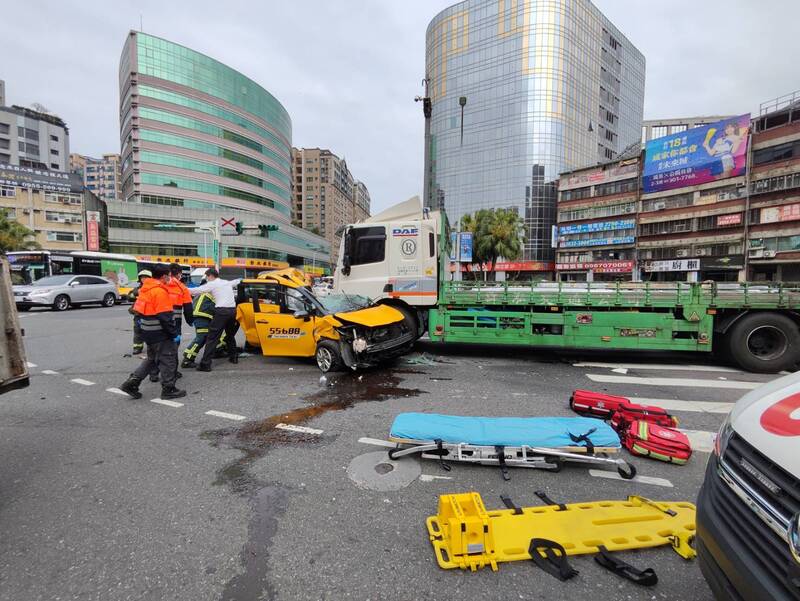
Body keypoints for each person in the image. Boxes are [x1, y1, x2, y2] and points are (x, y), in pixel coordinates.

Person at [119, 264, 186, 400]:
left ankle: (132, 382)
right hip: (160, 333)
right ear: (163, 276)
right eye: (168, 275)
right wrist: (174, 334)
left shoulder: (145, 289)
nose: (170, 278)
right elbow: (165, 317)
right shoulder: (160, 292)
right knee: (168, 359)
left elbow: (136, 310)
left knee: (152, 360)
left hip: (147, 331)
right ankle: (168, 389)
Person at [189, 268, 240, 371]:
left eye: (207, 277)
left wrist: (178, 288)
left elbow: (196, 291)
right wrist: (241, 279)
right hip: (232, 311)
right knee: (230, 335)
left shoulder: (212, 284)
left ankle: (205, 364)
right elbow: (237, 281)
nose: (207, 279)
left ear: (210, 276)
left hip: (221, 312)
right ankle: (234, 357)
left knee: (212, 338)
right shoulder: (226, 282)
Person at [181, 289, 229, 369]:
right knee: (202, 337)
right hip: (202, 317)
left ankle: (217, 351)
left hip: (203, 317)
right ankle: (187, 359)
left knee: (210, 336)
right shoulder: (213, 292)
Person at [164, 263, 194, 379]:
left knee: (159, 347)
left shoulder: (160, 284)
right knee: (173, 347)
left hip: (157, 320)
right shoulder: (182, 287)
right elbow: (188, 307)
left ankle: (154, 374)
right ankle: (172, 373)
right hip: (174, 322)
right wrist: (190, 320)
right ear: (179, 274)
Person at [129, 269, 152, 355]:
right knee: (137, 330)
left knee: (150, 331)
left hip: (149, 313)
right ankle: (137, 347)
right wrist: (136, 293)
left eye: (146, 277)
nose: (144, 279)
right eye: (142, 277)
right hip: (138, 314)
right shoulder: (137, 289)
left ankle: (151, 347)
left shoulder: (153, 288)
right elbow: (129, 297)